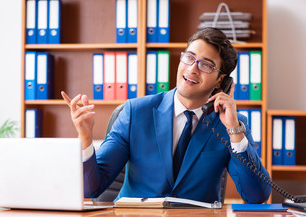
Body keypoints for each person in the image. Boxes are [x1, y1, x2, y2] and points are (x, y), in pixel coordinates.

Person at [62, 28, 271, 204]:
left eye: (206, 65)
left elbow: (256, 196)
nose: (192, 69)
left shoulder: (231, 124)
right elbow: (91, 189)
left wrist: (234, 131)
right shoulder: (135, 112)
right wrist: (86, 138)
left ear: (220, 81)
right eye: (189, 57)